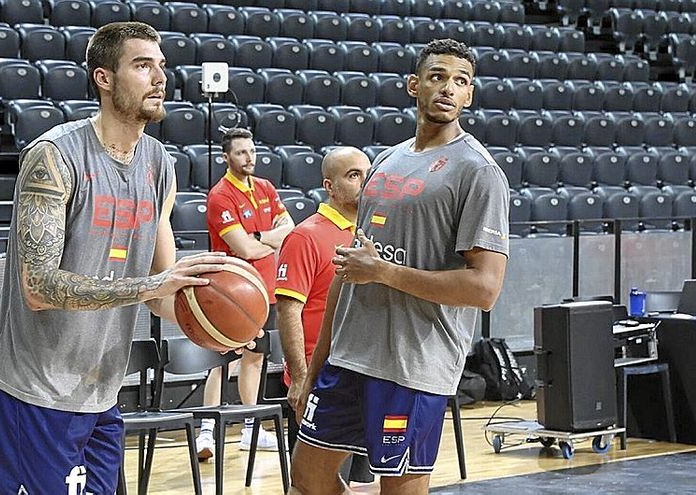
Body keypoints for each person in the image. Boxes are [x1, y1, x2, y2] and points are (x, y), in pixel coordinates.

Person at [0, 22, 243, 494]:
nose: (160, 78)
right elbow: (38, 289)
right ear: (104, 78)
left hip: (101, 392)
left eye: (161, 66)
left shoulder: (159, 163)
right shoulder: (55, 156)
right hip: (34, 392)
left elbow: (163, 293)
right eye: (143, 65)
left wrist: (209, 313)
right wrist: (152, 287)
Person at [289, 38, 510, 495]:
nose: (448, 88)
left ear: (469, 95)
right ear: (414, 85)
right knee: (307, 477)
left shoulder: (479, 172)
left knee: (401, 489)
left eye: (461, 81)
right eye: (437, 77)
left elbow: (484, 288)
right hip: (350, 356)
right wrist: (314, 366)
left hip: (414, 364)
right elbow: (350, 269)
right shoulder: (386, 160)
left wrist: (385, 273)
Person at [275, 146, 374, 481]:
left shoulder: (370, 234)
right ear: (329, 186)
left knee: (362, 482)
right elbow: (288, 312)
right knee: (317, 485)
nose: (364, 182)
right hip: (322, 381)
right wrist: (301, 379)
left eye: (367, 173)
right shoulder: (305, 236)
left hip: (364, 376)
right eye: (353, 175)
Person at [197, 127, 295, 459]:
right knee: (221, 361)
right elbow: (244, 248)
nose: (248, 157)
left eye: (251, 151)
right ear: (226, 157)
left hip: (266, 289)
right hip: (231, 290)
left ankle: (251, 430)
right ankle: (207, 432)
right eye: (241, 152)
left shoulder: (265, 187)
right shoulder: (220, 195)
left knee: (254, 358)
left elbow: (290, 230)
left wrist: (259, 235)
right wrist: (268, 238)